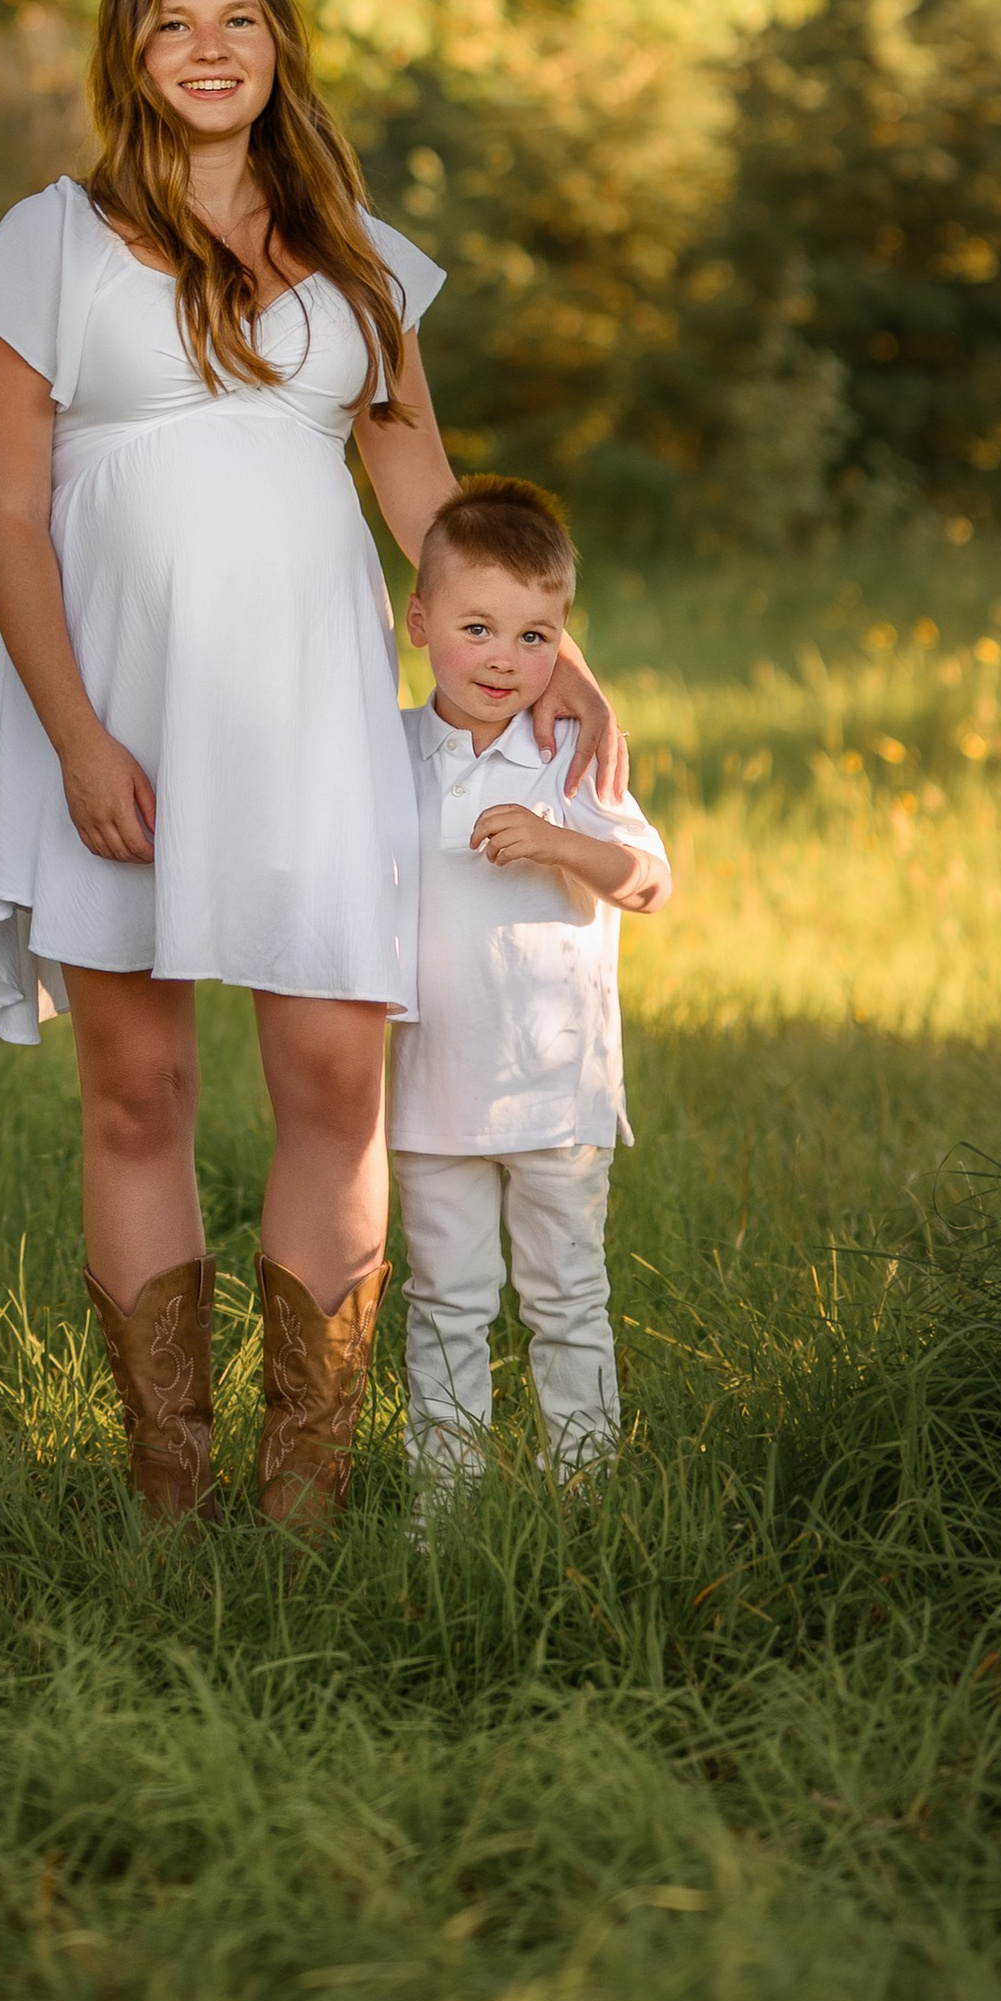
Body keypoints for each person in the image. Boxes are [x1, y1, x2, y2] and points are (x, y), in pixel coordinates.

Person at [0, 0, 622, 1527]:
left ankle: (304, 1498)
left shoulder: (357, 253)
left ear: (277, 45)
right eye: (172, 23)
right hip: (113, 707)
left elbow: (421, 484)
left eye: (238, 18)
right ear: (128, 55)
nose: (208, 48)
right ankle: (170, 1492)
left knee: (334, 1080)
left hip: (313, 711)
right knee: (138, 1091)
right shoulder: (49, 242)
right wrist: (77, 738)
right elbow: (9, 515)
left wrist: (560, 653)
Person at [387, 478, 671, 1483]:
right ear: (420, 622)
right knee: (445, 1303)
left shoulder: (566, 757)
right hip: (430, 1096)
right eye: (478, 629)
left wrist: (561, 843)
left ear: (562, 642)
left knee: (566, 1299)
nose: (505, 659)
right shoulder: (386, 755)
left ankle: (585, 1485)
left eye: (535, 636)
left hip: (555, 1091)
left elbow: (650, 881)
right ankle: (445, 1499)